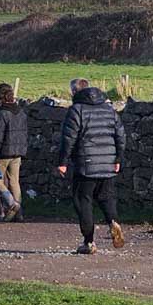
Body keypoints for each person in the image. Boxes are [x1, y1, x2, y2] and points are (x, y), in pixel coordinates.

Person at [57, 77, 126, 254]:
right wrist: (117, 159)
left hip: (85, 164)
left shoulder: (76, 110)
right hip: (108, 164)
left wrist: (62, 162)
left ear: (74, 92)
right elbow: (121, 137)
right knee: (107, 197)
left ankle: (89, 242)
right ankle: (113, 221)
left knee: (83, 201)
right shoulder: (109, 109)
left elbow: (68, 139)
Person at [0, 82, 27, 221]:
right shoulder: (21, 112)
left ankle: (12, 204)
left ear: (1, 99)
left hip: (3, 153)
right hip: (18, 152)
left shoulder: (2, 114)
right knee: (14, 181)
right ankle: (19, 214)